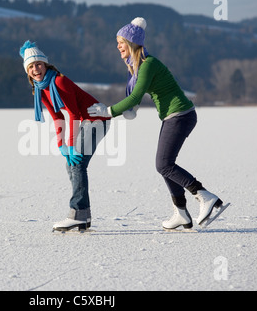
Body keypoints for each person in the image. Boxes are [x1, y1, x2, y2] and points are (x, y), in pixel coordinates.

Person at [87, 18, 226, 230]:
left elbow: (135, 97)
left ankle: (204, 196)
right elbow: (137, 94)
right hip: (174, 116)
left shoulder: (148, 64)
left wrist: (107, 112)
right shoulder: (139, 66)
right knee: (165, 165)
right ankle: (180, 212)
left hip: (180, 115)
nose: (117, 46)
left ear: (132, 42)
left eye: (121, 42)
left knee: (164, 164)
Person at [20, 40, 111, 231]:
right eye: (31, 67)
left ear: (46, 65)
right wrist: (62, 145)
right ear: (27, 71)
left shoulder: (59, 81)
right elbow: (57, 117)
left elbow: (73, 114)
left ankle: (77, 213)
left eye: (38, 64)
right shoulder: (39, 89)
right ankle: (83, 217)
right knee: (71, 165)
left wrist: (71, 145)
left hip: (96, 120)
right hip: (82, 122)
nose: (36, 69)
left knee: (77, 163)